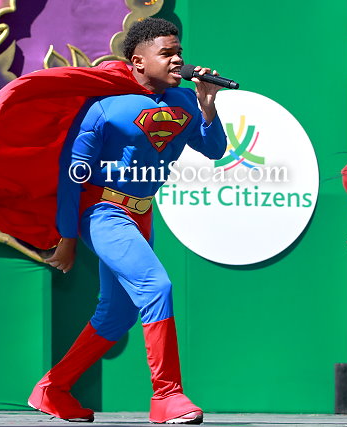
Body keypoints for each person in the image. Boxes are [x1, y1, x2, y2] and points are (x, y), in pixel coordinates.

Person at [26, 18, 226, 424]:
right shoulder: (104, 106)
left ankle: (52, 389)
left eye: (179, 52)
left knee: (117, 314)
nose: (178, 60)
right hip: (102, 210)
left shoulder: (185, 101)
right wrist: (67, 236)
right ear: (138, 61)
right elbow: (72, 174)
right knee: (156, 286)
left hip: (142, 213)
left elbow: (214, 149)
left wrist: (208, 105)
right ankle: (167, 396)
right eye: (166, 53)